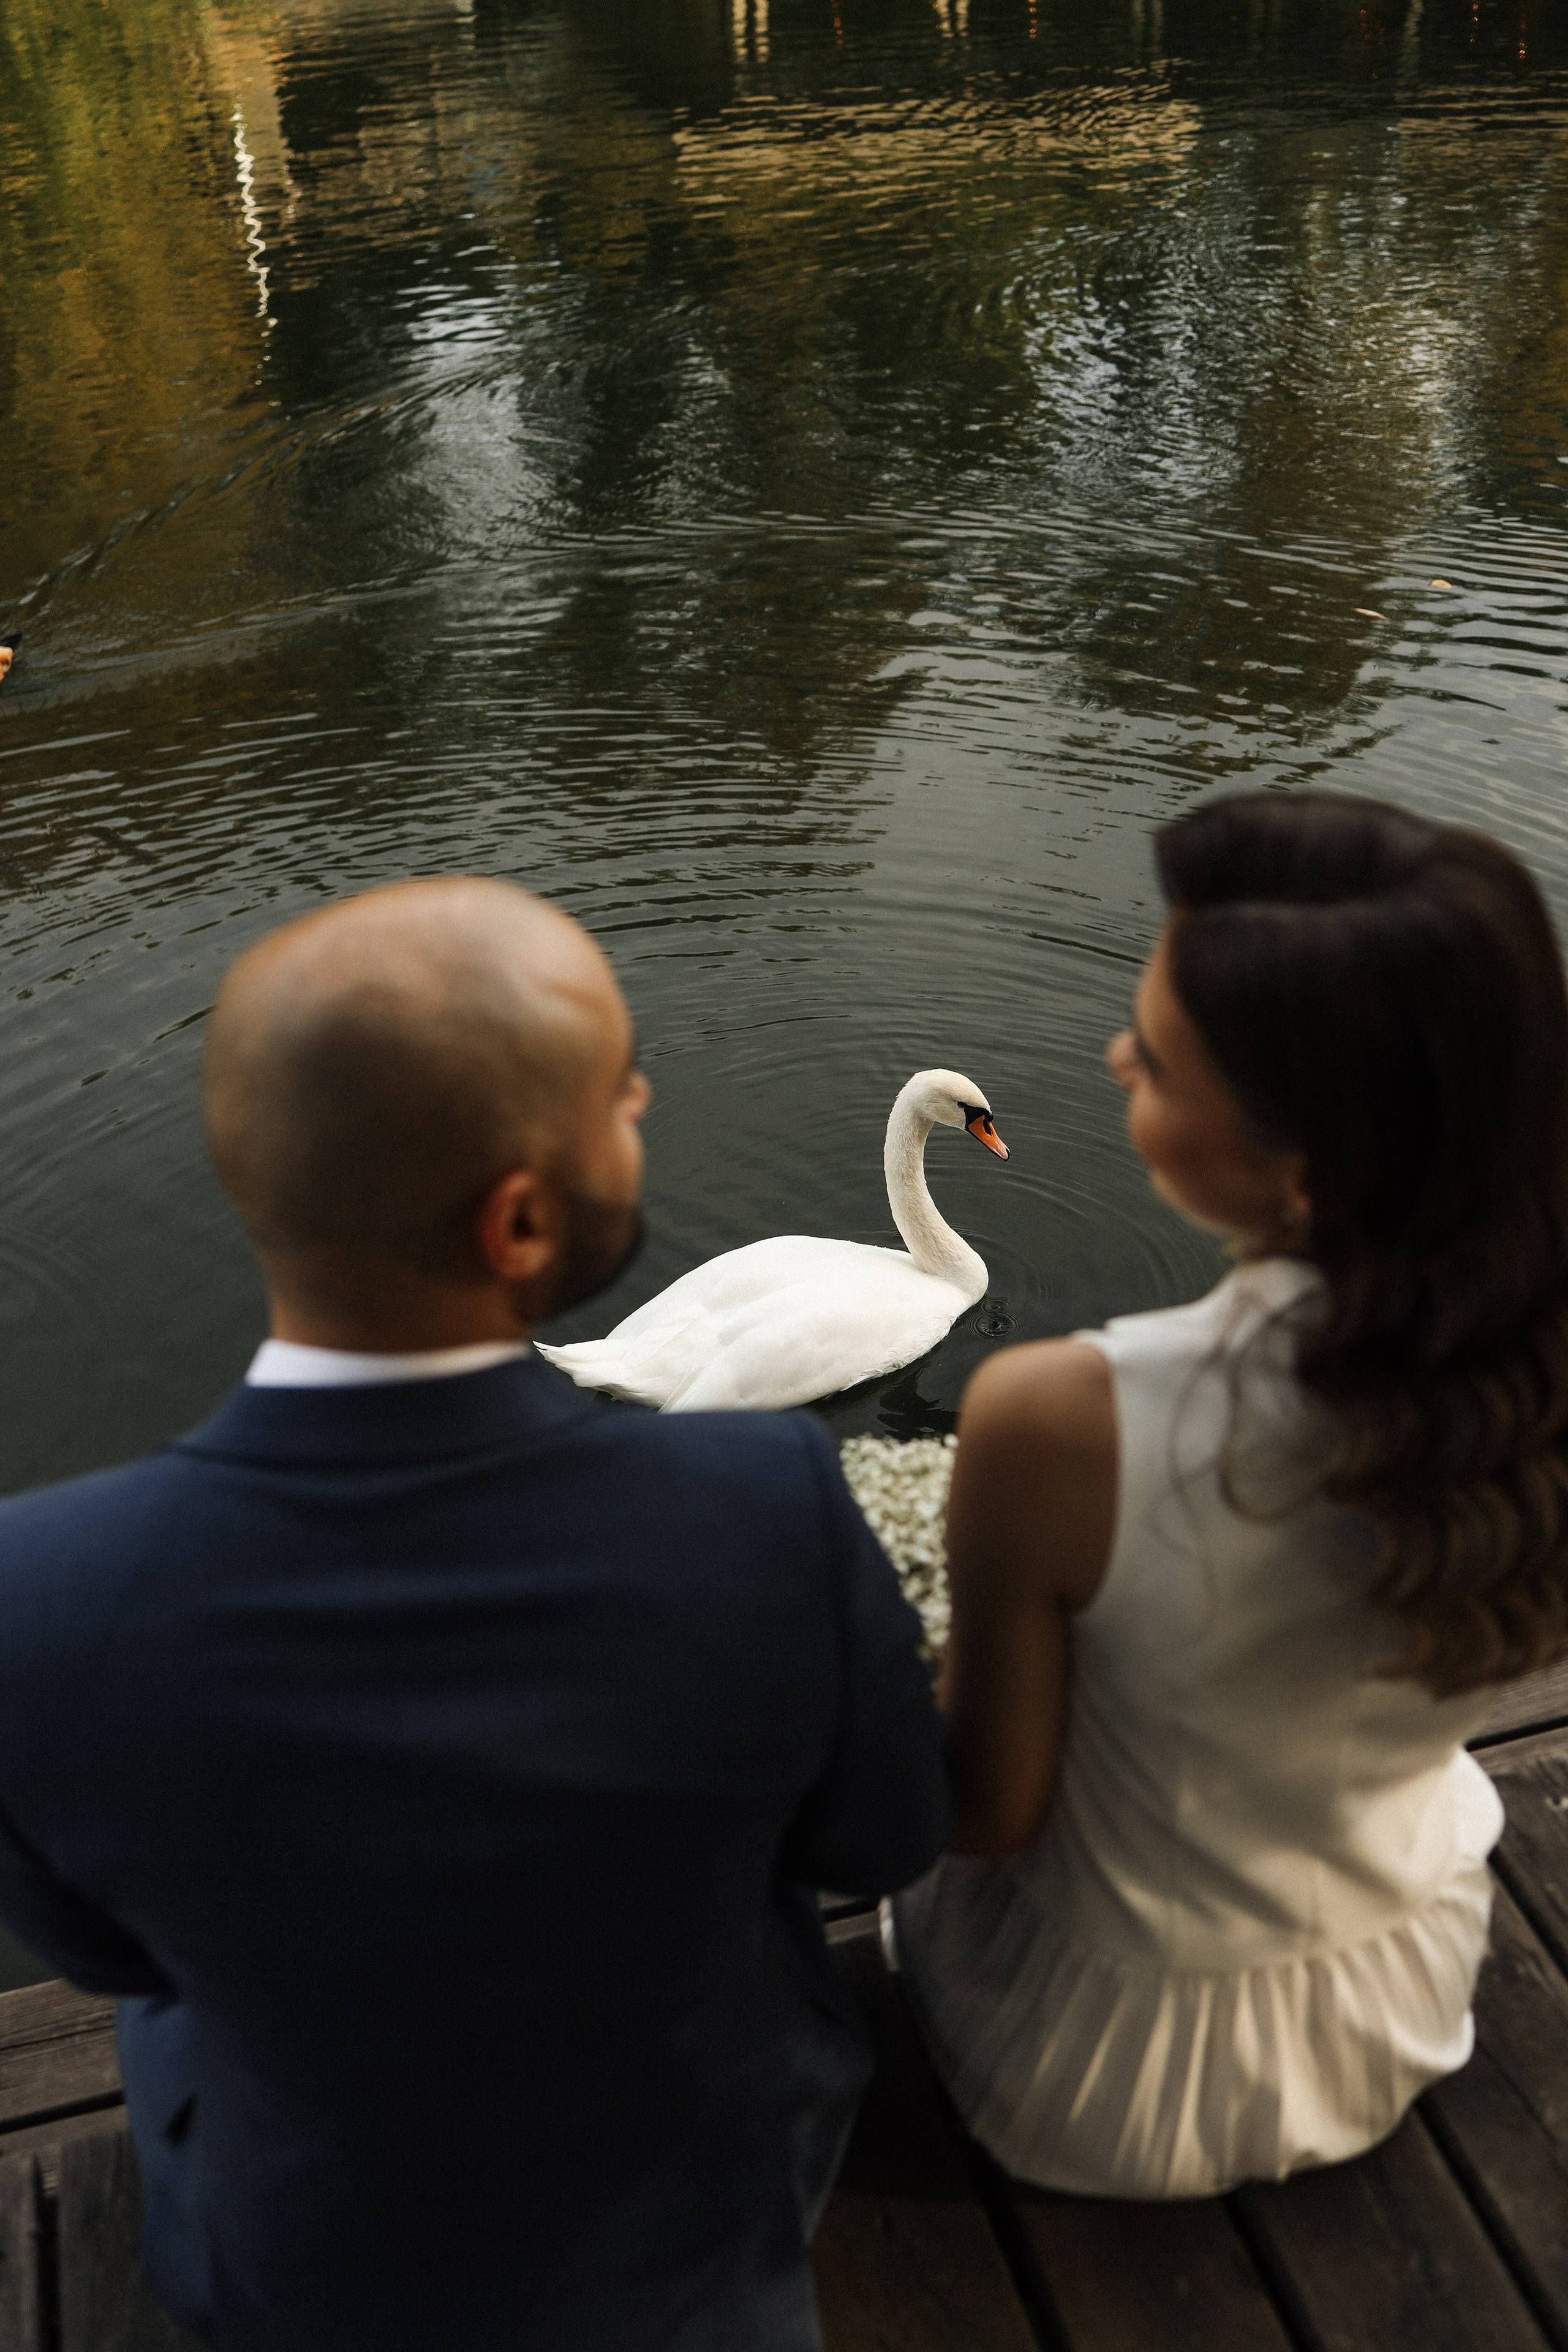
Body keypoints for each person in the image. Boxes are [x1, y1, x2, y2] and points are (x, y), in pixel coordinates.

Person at [0, 877, 951, 2351]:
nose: (640, 1100)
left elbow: (105, 1951)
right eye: (616, 1101)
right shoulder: (765, 1512)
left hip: (291, 2272)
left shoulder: (36, 1594)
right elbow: (887, 1841)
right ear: (519, 1220)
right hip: (696, 2252)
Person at [892, 790, 1568, 2199]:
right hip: (1389, 1998)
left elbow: (986, 1810)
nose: (1109, 1050)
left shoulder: (1057, 1418)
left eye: (1152, 1056)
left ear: (1296, 1167)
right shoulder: (1528, 1387)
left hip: (1091, 2068)